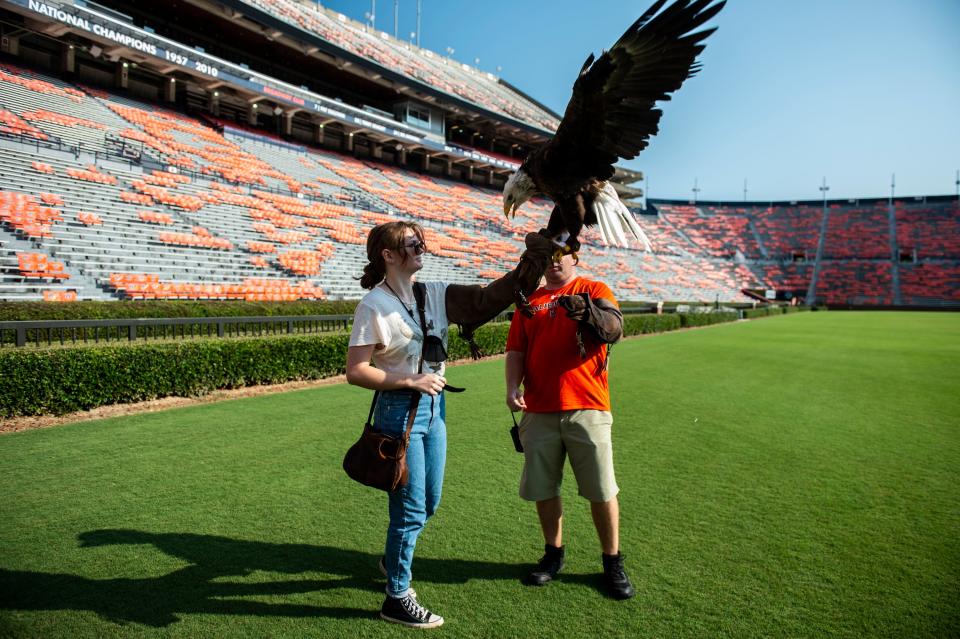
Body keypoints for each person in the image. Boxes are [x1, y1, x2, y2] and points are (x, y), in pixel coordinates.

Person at [346, 220, 554, 628]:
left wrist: (531, 264)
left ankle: (392, 560)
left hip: (434, 410)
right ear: (388, 255)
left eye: (421, 241)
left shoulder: (435, 292)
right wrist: (409, 379)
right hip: (397, 412)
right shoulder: (374, 305)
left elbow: (485, 300)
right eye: (411, 243)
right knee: (407, 511)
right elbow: (356, 370)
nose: (422, 247)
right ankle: (397, 596)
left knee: (429, 504)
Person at [504, 250, 635, 600]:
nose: (554, 261)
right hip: (539, 407)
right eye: (547, 256)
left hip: (588, 406)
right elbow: (516, 349)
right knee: (544, 488)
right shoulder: (529, 301)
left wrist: (590, 313)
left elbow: (616, 329)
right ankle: (553, 553)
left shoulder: (595, 288)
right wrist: (511, 386)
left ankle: (612, 561)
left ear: (575, 257)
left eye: (561, 254)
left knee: (602, 489)